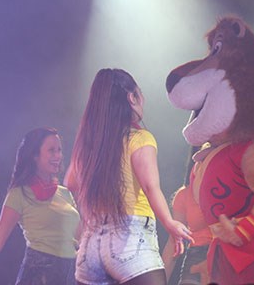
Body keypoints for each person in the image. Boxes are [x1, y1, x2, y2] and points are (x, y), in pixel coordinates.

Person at [64, 68, 193, 285]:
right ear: (131, 97)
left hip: (91, 246)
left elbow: (70, 182)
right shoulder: (140, 138)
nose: (143, 100)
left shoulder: (90, 144)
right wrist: (169, 222)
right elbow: (150, 187)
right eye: (139, 94)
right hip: (130, 240)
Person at [0, 127, 80, 285]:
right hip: (38, 276)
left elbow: (80, 238)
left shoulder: (65, 193)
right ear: (35, 156)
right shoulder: (19, 194)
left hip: (69, 276)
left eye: (59, 150)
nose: (58, 156)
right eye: (51, 150)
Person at [161, 146, 211, 285]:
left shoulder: (234, 188)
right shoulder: (184, 195)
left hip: (227, 252)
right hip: (197, 254)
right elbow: (174, 242)